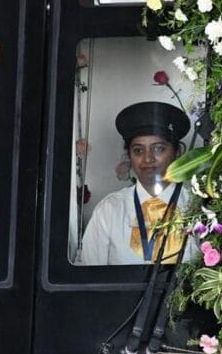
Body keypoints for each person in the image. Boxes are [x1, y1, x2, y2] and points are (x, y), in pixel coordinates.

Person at [78, 101, 191, 266]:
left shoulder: (197, 207)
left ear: (177, 152)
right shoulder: (110, 210)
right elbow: (88, 278)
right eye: (138, 150)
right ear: (129, 156)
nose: (147, 158)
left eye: (158, 148)